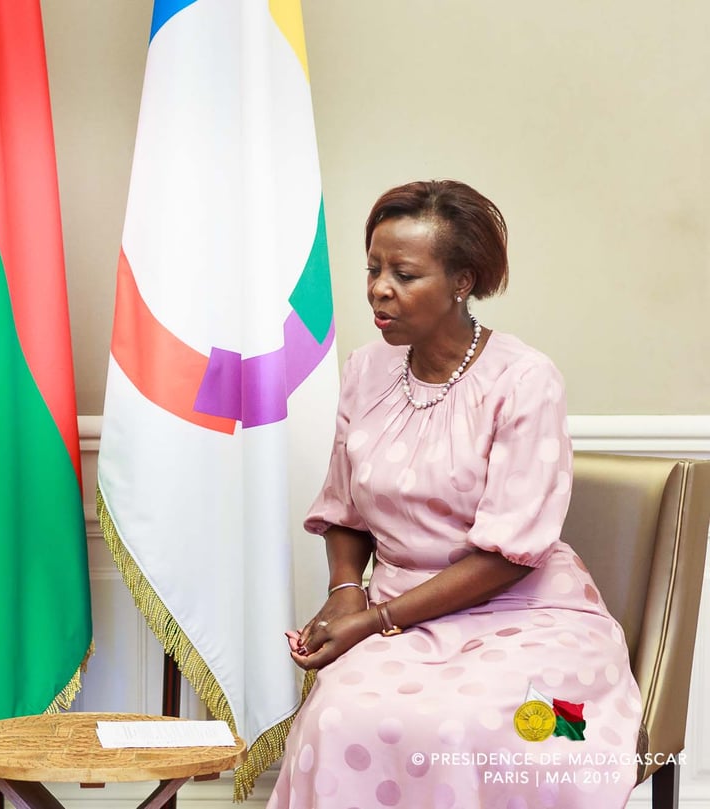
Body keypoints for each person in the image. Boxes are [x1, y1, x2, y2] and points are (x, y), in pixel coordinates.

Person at [269, 180, 641, 808]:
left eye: (405, 274)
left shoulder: (525, 380)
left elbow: (506, 557)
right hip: (391, 612)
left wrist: (372, 623)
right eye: (374, 269)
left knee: (472, 728)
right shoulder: (365, 370)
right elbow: (344, 509)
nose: (378, 288)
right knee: (341, 721)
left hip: (524, 614)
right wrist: (344, 592)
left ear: (462, 282)